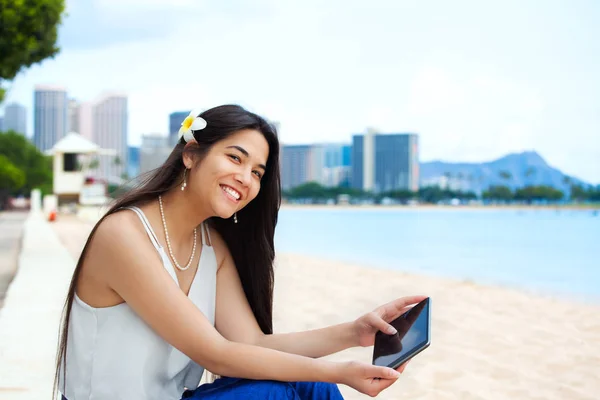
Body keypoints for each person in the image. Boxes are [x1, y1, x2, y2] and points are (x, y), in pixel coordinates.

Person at [54, 104, 426, 400]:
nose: (246, 179)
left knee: (313, 385)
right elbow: (214, 354)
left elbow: (251, 344)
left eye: (258, 172)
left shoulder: (212, 246)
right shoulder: (124, 234)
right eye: (235, 158)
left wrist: (355, 332)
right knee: (278, 389)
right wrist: (340, 370)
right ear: (191, 155)